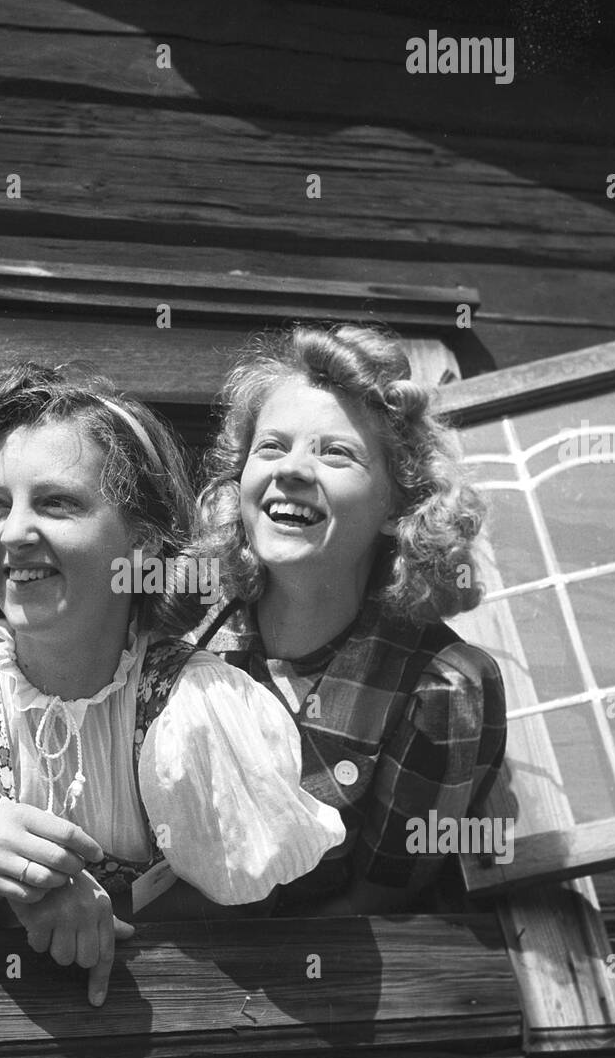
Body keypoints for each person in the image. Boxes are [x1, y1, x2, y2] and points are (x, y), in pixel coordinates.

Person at [0, 361, 345, 1003]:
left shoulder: (197, 708)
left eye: (57, 503)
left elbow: (251, 916)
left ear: (141, 541)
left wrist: (103, 914)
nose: (14, 534)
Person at [190, 323, 507, 915]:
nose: (292, 470)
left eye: (335, 452)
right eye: (271, 447)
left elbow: (377, 899)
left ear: (398, 507)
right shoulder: (186, 633)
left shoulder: (442, 688)